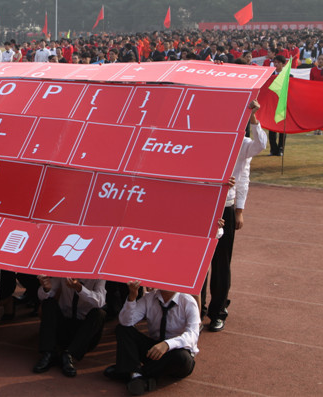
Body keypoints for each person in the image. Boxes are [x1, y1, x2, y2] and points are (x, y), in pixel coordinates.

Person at [204, 100, 267, 332]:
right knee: (199, 260)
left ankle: (218, 311)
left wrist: (253, 116)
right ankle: (196, 308)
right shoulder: (206, 140)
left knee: (221, 263)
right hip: (203, 206)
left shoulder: (243, 144)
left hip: (226, 207)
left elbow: (261, 145)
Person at [104, 281, 200, 395]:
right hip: (153, 351)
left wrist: (168, 344)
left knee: (182, 358)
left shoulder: (188, 301)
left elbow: (193, 335)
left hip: (175, 352)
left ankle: (133, 373)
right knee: (122, 329)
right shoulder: (149, 298)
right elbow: (126, 322)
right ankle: (141, 377)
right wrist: (132, 297)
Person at [33, 276, 106, 377]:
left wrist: (80, 289)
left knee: (99, 313)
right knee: (48, 303)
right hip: (65, 325)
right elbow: (43, 295)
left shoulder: (98, 277)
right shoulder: (64, 273)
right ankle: (48, 353)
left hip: (83, 332)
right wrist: (46, 289)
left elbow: (100, 301)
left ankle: (70, 356)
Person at [268, 56, 287, 155]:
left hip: (282, 105)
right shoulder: (269, 75)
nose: (276, 64)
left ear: (283, 64)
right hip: (272, 105)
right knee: (271, 128)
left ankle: (281, 148)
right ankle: (273, 149)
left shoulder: (288, 75)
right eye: (275, 62)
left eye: (278, 62)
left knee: (282, 128)